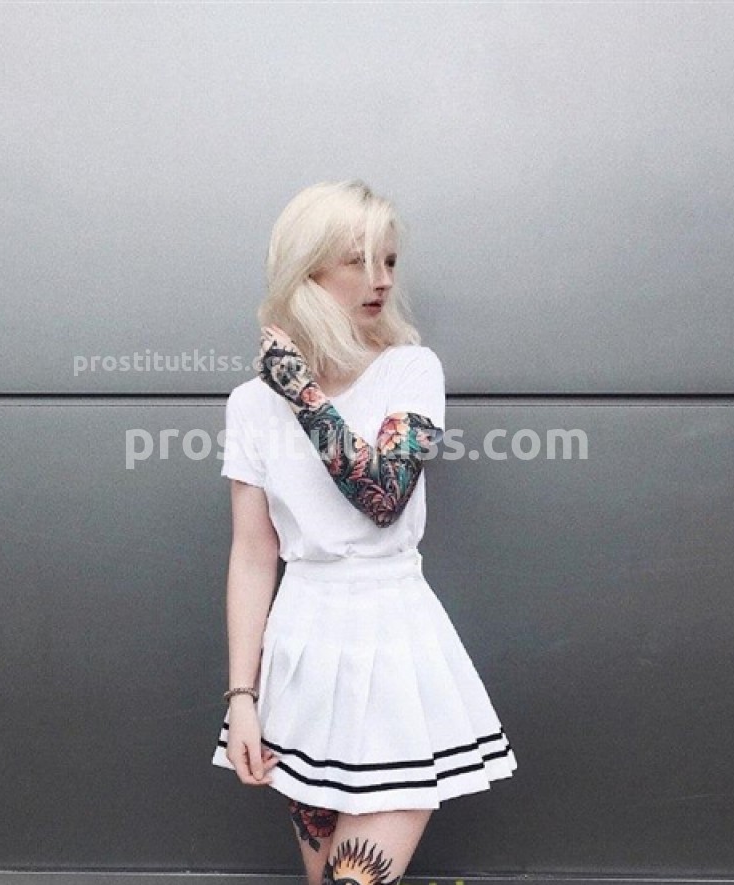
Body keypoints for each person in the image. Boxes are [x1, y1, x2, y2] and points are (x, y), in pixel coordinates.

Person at [211, 180, 517, 884]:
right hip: (301, 651)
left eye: (390, 260)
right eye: (358, 260)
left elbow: (382, 496)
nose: (380, 280)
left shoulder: (411, 370)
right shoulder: (251, 406)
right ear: (306, 270)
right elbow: (253, 555)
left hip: (393, 642)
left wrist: (303, 394)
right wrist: (242, 698)